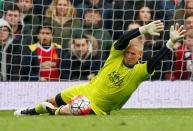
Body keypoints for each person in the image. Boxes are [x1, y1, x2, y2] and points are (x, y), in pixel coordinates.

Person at [14, 20, 185, 116]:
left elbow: (156, 60)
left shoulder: (141, 71)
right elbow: (123, 40)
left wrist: (170, 43)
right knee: (53, 100)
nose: (128, 55)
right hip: (87, 88)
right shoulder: (115, 56)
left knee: (70, 111)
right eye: (127, 52)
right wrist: (141, 29)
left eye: (133, 53)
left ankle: (53, 111)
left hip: (99, 107)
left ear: (140, 55)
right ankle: (31, 111)